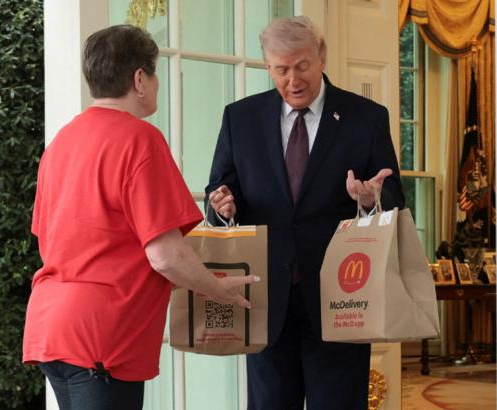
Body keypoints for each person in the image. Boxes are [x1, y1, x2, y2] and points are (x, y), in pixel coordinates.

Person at [22, 25, 258, 410]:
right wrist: (219, 290)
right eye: (154, 73)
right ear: (139, 80)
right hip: (104, 337)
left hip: (51, 328)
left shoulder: (61, 142)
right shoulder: (139, 139)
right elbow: (165, 255)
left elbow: (53, 237)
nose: (156, 82)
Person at [206, 16, 404, 410]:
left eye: (302, 66)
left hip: (342, 300)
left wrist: (369, 201)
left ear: (321, 59)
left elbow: (394, 199)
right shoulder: (240, 118)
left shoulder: (366, 118)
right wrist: (222, 208)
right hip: (265, 301)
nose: (293, 80)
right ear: (268, 67)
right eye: (281, 69)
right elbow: (220, 192)